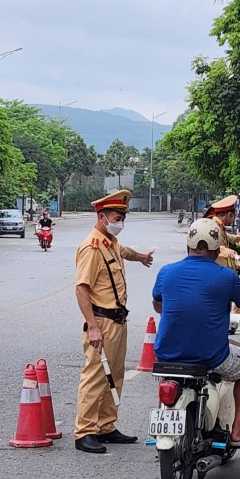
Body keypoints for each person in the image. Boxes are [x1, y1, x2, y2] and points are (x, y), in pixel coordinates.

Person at [152, 218, 240, 446]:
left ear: (188, 246)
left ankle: (166, 420)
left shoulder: (166, 272)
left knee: (170, 376)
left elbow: (158, 306)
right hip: (210, 357)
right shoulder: (227, 277)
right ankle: (238, 430)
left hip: (166, 355)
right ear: (217, 251)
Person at [74, 189, 155, 454]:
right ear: (102, 216)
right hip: (102, 322)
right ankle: (85, 431)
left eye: (122, 217)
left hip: (118, 322)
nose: (121, 222)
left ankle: (106, 426)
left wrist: (141, 256)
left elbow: (124, 251)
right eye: (117, 217)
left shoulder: (109, 242)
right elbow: (82, 289)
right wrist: (93, 327)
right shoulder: (91, 247)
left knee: (115, 375)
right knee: (96, 376)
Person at [203, 194, 240, 270]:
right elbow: (212, 245)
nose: (233, 220)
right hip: (216, 270)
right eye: (234, 217)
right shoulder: (213, 227)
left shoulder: (220, 227)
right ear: (230, 215)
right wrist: (229, 252)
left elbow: (228, 237)